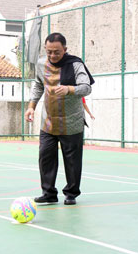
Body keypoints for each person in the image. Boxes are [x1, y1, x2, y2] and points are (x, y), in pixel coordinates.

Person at [25, 33, 94, 205]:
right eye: (49, 52)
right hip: (48, 121)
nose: (52, 56)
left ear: (65, 49)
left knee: (72, 160)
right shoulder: (41, 64)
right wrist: (31, 107)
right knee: (45, 157)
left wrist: (69, 89)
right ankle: (48, 193)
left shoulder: (76, 64)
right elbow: (39, 84)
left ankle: (71, 194)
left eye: (57, 52)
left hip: (71, 122)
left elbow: (86, 88)